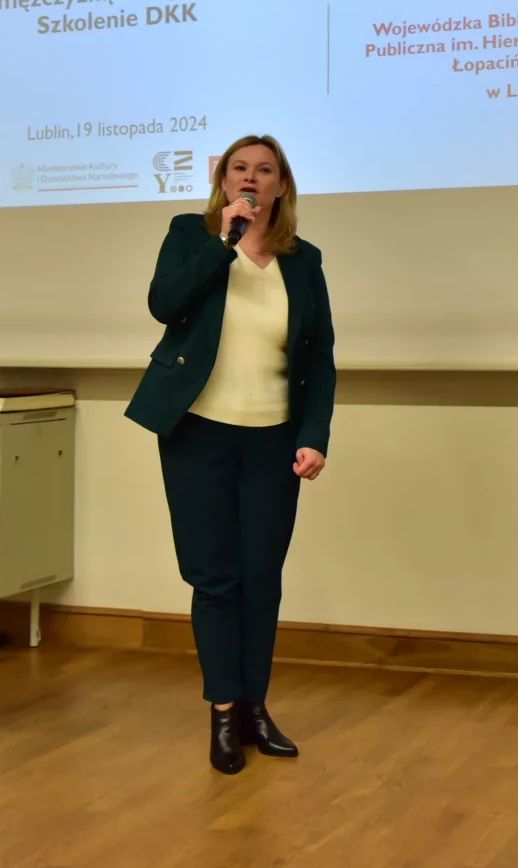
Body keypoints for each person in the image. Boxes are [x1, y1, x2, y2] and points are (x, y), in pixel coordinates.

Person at [125, 135, 336, 775]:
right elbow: (165, 304)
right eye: (238, 168)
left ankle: (255, 709)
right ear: (223, 180)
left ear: (281, 186)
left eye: (264, 170)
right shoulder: (191, 234)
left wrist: (314, 434)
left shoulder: (304, 260)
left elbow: (320, 357)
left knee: (261, 580)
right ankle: (222, 713)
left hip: (273, 438)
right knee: (214, 578)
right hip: (197, 432)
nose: (251, 178)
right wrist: (223, 242)